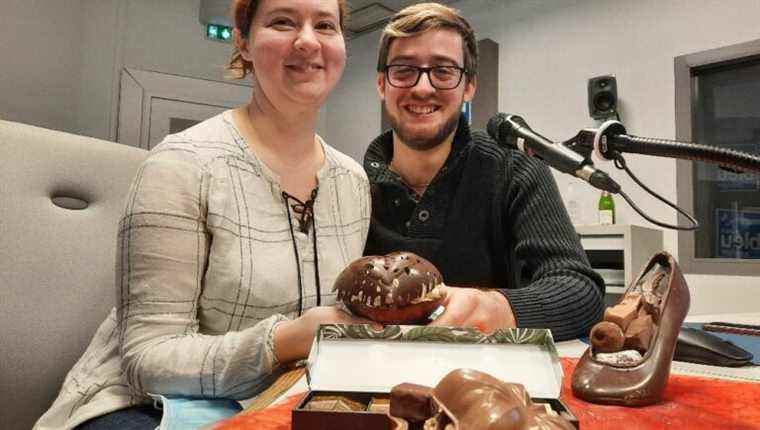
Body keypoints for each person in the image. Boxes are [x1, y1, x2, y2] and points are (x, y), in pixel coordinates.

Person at [35, 0, 372, 428]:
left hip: (281, 402)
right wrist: (285, 341)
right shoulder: (181, 164)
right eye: (283, 22)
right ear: (244, 42)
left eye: (325, 25)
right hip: (145, 405)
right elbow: (147, 360)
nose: (307, 40)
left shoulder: (353, 181)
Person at [364, 3, 605, 341]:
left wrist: (494, 309)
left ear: (469, 87)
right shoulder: (350, 185)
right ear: (381, 84)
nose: (422, 88)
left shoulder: (514, 167)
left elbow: (580, 292)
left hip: (491, 378)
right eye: (404, 70)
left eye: (443, 71)